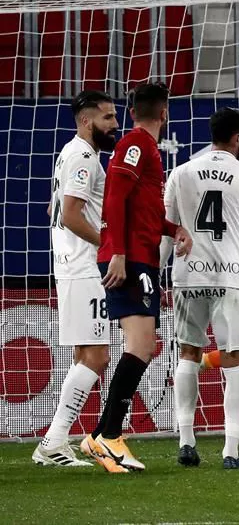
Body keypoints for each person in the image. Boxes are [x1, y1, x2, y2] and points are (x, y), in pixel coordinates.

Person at [80, 82, 193, 473]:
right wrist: (118, 253)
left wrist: (173, 228)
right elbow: (114, 197)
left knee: (143, 346)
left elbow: (144, 211)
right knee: (142, 346)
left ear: (132, 112)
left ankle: (100, 435)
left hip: (140, 257)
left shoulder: (146, 148)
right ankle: (110, 435)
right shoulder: (136, 144)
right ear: (164, 113)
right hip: (129, 260)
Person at [159, 107, 239, 469]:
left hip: (188, 275)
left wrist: (158, 274)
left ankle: (186, 442)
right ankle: (230, 451)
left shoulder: (180, 173)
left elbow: (165, 231)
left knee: (188, 354)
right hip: (231, 277)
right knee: (234, 359)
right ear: (237, 138)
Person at [33, 91, 119, 467]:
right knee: (97, 355)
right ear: (86, 121)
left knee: (86, 354)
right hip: (84, 266)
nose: (115, 124)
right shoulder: (84, 156)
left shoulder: (71, 152)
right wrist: (108, 246)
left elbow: (53, 208)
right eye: (107, 117)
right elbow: (69, 214)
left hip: (71, 263)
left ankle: (54, 441)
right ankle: (53, 441)